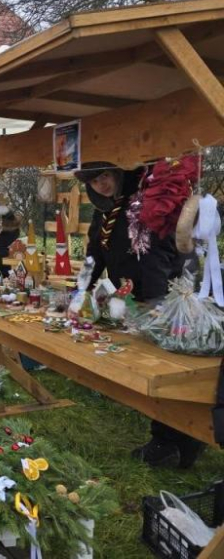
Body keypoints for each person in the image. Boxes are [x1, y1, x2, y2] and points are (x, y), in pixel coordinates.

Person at [75, 161, 203, 468]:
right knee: (153, 371)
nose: (101, 184)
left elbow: (159, 254)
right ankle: (173, 439)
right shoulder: (105, 212)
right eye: (93, 181)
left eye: (104, 176)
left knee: (167, 371)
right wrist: (80, 292)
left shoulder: (144, 203)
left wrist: (158, 305)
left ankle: (176, 441)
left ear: (117, 173)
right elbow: (95, 254)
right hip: (136, 301)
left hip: (168, 296)